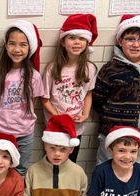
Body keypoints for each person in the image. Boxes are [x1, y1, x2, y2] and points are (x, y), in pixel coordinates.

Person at [92, 14, 140, 164]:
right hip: (113, 134)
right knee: (105, 169)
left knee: (133, 169)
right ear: (120, 41)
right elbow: (98, 100)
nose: (136, 44)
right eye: (130, 39)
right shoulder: (110, 69)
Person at [0, 21, 46, 176]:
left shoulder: (34, 76)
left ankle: (17, 193)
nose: (17, 49)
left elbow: (33, 102)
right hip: (1, 131)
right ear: (6, 46)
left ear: (30, 48)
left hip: (25, 132)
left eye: (23, 45)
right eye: (12, 43)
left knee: (20, 169)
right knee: (0, 169)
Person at [42, 14, 99, 163]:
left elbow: (88, 94)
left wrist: (85, 114)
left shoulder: (89, 68)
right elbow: (45, 99)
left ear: (87, 42)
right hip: (55, 126)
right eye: (72, 37)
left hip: (76, 127)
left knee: (70, 162)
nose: (77, 42)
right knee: (52, 163)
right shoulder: (52, 68)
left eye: (82, 38)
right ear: (63, 41)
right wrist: (58, 117)